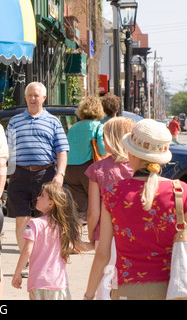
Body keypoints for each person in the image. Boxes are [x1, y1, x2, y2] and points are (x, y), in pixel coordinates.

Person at [84, 119, 187, 300]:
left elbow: (103, 254)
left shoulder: (113, 193)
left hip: (127, 289)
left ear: (131, 153)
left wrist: (88, 295)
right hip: (174, 290)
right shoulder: (181, 192)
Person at [5, 82, 69, 263]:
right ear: (25, 98)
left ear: (44, 98)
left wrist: (60, 174)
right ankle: (26, 261)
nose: (32, 98)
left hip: (46, 175)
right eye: (29, 95)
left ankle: (43, 260)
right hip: (20, 175)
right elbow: (6, 150)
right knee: (21, 219)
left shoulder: (53, 122)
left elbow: (62, 150)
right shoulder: (15, 121)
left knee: (45, 219)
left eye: (36, 95)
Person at [11, 182, 93, 300]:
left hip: (38, 282)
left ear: (51, 203)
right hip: (58, 283)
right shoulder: (64, 227)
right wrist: (99, 245)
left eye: (42, 195)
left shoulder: (34, 224)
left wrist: (17, 273)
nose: (38, 197)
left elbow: (26, 251)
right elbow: (80, 246)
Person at [84, 116, 135, 299]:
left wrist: (91, 233)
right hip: (133, 234)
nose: (102, 140)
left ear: (113, 139)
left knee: (105, 280)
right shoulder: (136, 168)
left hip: (105, 236)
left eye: (105, 136)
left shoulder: (98, 169)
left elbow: (93, 212)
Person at [65, 96, 107, 223]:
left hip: (70, 169)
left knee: (78, 211)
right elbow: (102, 149)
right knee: (96, 207)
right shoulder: (98, 127)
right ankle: (93, 240)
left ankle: (75, 240)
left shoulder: (73, 128)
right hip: (88, 169)